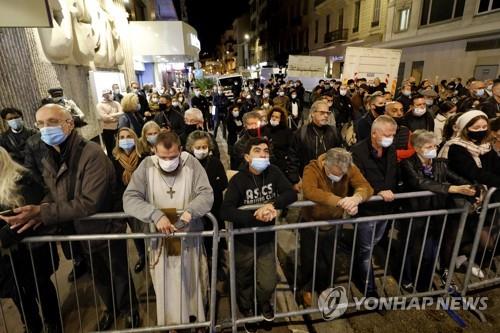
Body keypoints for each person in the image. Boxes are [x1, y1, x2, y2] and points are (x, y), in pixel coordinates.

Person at [2, 104, 140, 330]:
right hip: (79, 231)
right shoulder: (49, 154)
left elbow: (89, 203)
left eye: (52, 122)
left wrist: (43, 212)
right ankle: (111, 309)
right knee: (98, 277)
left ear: (69, 124)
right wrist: (41, 208)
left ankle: (129, 310)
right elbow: (51, 189)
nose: (45, 128)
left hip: (104, 228)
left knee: (118, 274)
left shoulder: (91, 154)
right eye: (40, 124)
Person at [122, 131, 213, 327]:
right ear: (154, 150)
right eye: (163, 157)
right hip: (161, 238)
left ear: (180, 150)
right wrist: (155, 214)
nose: (168, 161)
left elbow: (206, 194)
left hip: (189, 235)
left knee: (193, 281)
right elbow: (129, 199)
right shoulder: (146, 166)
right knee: (167, 284)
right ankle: (172, 323)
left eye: (173, 157)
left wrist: (191, 211)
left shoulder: (191, 164)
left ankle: (196, 319)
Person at [221, 138, 297, 332]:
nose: (263, 155)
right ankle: (247, 310)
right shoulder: (239, 180)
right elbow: (226, 210)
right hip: (243, 240)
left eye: (265, 151)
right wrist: (254, 215)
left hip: (266, 239)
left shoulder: (274, 172)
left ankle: (264, 303)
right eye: (257, 151)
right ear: (247, 157)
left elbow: (291, 193)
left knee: (268, 281)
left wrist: (272, 205)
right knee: (244, 279)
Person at [400, 130, 476, 291]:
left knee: (430, 253)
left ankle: (423, 285)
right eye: (429, 146)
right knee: (411, 250)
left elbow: (454, 177)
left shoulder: (439, 163)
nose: (433, 148)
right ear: (418, 148)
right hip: (416, 214)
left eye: (435, 145)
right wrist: (452, 189)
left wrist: (472, 187)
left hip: (436, 213)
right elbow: (420, 182)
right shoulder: (407, 163)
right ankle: (406, 278)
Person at [300, 148, 373, 306]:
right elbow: (310, 191)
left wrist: (356, 198)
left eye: (342, 173)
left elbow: (365, 186)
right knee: (309, 258)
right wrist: (339, 201)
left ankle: (324, 287)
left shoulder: (348, 167)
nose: (339, 176)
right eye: (336, 172)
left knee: (329, 258)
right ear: (325, 163)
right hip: (312, 222)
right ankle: (305, 288)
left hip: (335, 222)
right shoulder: (312, 168)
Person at [0, 147, 61, 333]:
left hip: (33, 251)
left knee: (41, 287)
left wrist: (2, 238)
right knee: (19, 294)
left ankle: (53, 323)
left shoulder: (22, 179)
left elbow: (24, 218)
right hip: (9, 259)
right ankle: (31, 324)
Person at [351, 115, 398, 297]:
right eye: (387, 134)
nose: (391, 138)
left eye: (393, 134)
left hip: (386, 209)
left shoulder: (390, 149)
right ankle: (369, 288)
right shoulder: (357, 152)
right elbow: (359, 178)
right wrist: (379, 191)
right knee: (365, 250)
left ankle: (360, 270)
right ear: (374, 133)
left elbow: (393, 173)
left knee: (373, 243)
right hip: (367, 210)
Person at [112, 127, 147, 273]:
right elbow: (113, 184)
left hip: (144, 201)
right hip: (125, 204)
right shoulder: (113, 161)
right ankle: (142, 255)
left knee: (147, 230)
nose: (125, 140)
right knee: (135, 232)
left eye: (129, 136)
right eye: (122, 137)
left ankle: (153, 254)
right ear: (118, 141)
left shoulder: (143, 158)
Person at [288, 100, 341, 192]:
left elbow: (341, 155)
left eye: (327, 113)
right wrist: (295, 180)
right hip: (308, 180)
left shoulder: (334, 132)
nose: (326, 115)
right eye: (322, 113)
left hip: (332, 180)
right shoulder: (301, 133)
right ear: (312, 113)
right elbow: (293, 158)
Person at [440, 110, 500, 188]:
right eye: (476, 128)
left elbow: (497, 165)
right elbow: (473, 173)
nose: (481, 130)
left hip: (487, 188)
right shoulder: (455, 147)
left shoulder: (485, 145)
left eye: (484, 127)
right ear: (465, 129)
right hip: (466, 191)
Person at [265, 106, 294, 181]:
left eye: (277, 117)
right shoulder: (265, 129)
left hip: (281, 165)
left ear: (281, 119)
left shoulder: (287, 131)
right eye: (272, 116)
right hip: (266, 164)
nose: (274, 118)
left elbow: (290, 149)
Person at [96, 89, 124, 158]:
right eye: (108, 94)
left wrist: (111, 115)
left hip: (118, 127)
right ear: (104, 95)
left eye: (110, 93)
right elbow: (104, 117)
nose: (110, 95)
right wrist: (116, 117)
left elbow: (122, 113)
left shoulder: (116, 103)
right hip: (107, 129)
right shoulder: (100, 105)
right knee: (110, 149)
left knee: (120, 147)